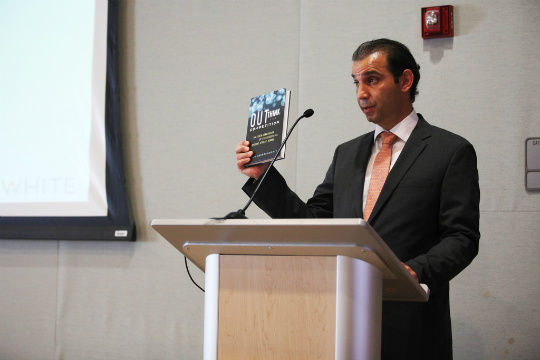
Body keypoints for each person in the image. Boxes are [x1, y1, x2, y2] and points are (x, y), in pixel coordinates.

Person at [235, 38, 480, 360]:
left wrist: (414, 270)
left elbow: (461, 237)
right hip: (339, 316)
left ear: (405, 80)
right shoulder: (348, 152)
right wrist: (263, 176)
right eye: (356, 83)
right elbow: (315, 224)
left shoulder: (449, 151)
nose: (361, 94)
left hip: (410, 321)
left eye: (372, 80)